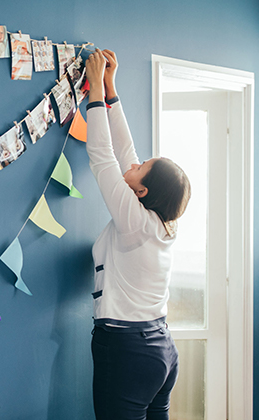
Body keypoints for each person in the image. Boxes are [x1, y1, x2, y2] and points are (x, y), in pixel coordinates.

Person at [85, 49, 191, 420]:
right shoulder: (158, 223)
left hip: (127, 350)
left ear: (142, 191)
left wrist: (95, 88)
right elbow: (124, 151)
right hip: (161, 350)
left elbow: (102, 155)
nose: (134, 162)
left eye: (143, 167)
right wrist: (112, 88)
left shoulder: (134, 221)